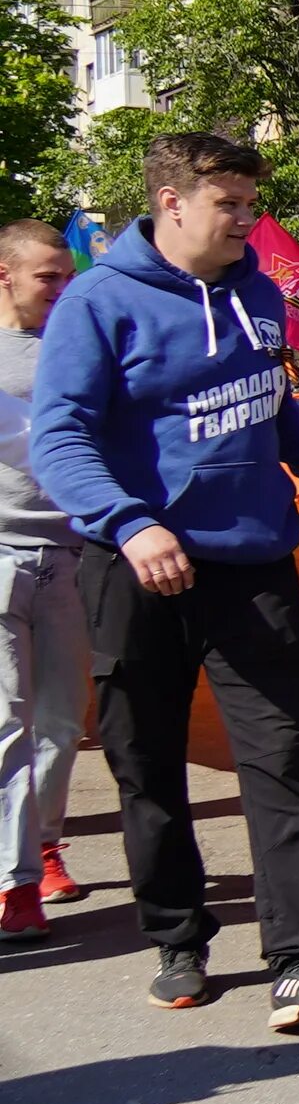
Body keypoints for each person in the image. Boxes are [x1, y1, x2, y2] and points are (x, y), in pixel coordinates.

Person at [32, 131, 299, 1027]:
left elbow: (269, 396)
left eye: (249, 202)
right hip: (135, 568)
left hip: (254, 563)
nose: (248, 219)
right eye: (229, 204)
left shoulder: (258, 291)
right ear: (171, 203)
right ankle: (178, 937)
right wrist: (132, 522)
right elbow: (61, 437)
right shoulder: (98, 304)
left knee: (286, 761)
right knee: (144, 763)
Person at [0, 219, 84, 941]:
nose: (61, 289)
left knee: (61, 723)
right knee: (8, 724)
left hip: (71, 557)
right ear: (6, 276)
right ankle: (16, 881)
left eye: (68, 276)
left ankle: (46, 841)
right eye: (46, 277)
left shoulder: (76, 348)